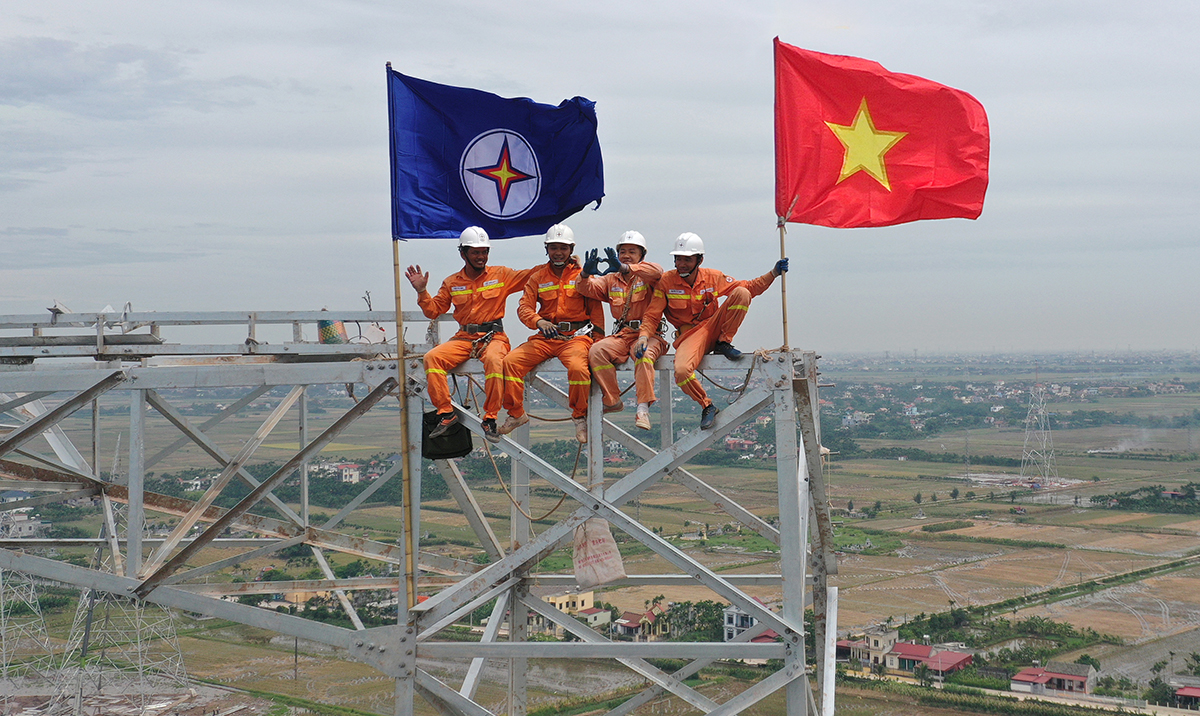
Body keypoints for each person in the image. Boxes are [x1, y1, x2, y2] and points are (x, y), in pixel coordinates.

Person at [637, 232, 788, 430]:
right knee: (682, 371)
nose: (681, 263)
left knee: (741, 293)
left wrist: (773, 273)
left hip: (714, 327)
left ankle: (724, 342)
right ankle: (707, 405)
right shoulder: (666, 282)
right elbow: (652, 314)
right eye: (678, 258)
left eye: (687, 259)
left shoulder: (713, 277)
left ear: (699, 259)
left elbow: (750, 287)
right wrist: (643, 336)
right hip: (690, 336)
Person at [405, 226, 536, 441]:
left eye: (484, 252)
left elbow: (531, 275)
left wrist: (560, 261)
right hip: (464, 338)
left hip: (493, 337)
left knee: (495, 362)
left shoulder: (501, 274)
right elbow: (433, 310)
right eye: (475, 252)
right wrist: (421, 291)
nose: (481, 257)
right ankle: (446, 413)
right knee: (432, 358)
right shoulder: (452, 282)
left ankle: (490, 417)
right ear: (463, 253)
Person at [498, 224, 605, 443]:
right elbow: (524, 307)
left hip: (576, 337)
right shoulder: (538, 277)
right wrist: (538, 321)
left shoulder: (582, 276)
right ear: (546, 249)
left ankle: (579, 417)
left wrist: (599, 341)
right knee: (510, 362)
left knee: (578, 369)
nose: (558, 252)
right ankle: (516, 413)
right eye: (553, 247)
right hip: (546, 337)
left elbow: (596, 310)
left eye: (563, 248)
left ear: (571, 248)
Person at [576, 231, 666, 431]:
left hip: (649, 334)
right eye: (622, 252)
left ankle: (642, 408)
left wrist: (627, 268)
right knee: (597, 352)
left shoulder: (648, 276)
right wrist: (584, 273)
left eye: (632, 252)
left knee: (643, 355)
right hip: (623, 334)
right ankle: (612, 399)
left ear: (641, 255)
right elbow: (585, 288)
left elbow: (658, 272)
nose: (626, 255)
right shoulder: (611, 280)